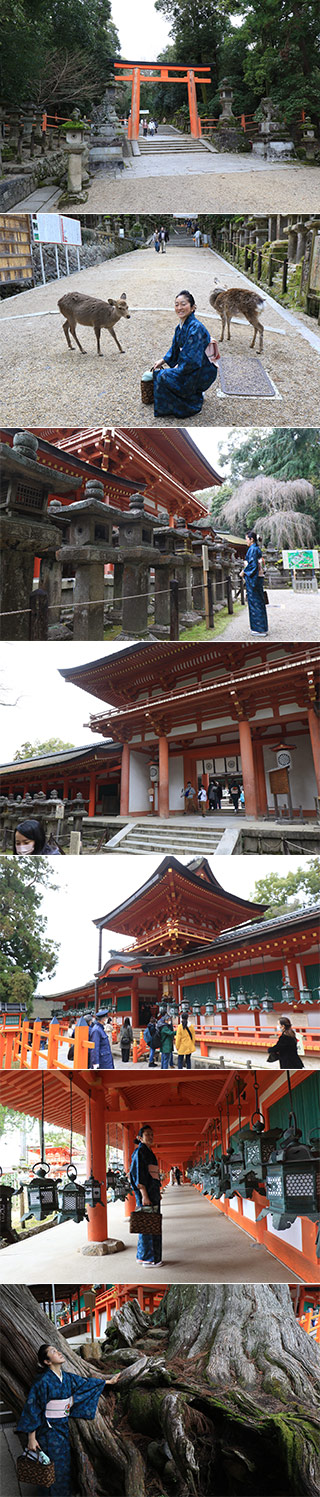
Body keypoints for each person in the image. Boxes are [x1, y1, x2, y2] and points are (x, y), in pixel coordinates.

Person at [17, 1341, 118, 1497]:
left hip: (62, 1427)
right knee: (49, 1467)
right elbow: (33, 1408)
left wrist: (108, 1382)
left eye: (57, 1350)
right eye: (53, 1351)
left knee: (63, 1465)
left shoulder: (68, 1378)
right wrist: (31, 1437)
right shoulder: (43, 1381)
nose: (58, 1352)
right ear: (47, 1361)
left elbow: (86, 1384)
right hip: (47, 1431)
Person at [153, 291, 219, 418]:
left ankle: (191, 403)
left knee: (162, 376)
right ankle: (186, 397)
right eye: (176, 305)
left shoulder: (196, 328)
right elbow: (175, 349)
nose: (179, 308)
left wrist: (178, 368)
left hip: (200, 370)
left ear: (193, 307)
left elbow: (192, 359)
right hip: (191, 366)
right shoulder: (180, 327)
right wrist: (163, 360)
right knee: (161, 373)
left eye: (183, 304)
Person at [130, 1123, 162, 1266]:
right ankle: (148, 1259)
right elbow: (138, 1174)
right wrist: (144, 1194)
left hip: (152, 1191)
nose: (150, 1136)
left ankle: (144, 1256)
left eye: (151, 1134)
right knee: (147, 1225)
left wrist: (157, 1191)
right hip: (146, 1193)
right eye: (147, 1134)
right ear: (140, 1138)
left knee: (151, 1224)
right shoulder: (140, 1152)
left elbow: (153, 1175)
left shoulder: (148, 1151)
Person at [241, 530, 268, 636]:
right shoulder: (256, 549)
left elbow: (252, 565)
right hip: (258, 577)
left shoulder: (252, 549)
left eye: (247, 538)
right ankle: (262, 627)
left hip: (254, 578)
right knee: (259, 602)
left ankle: (258, 629)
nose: (246, 541)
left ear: (251, 539)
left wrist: (244, 573)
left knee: (255, 602)